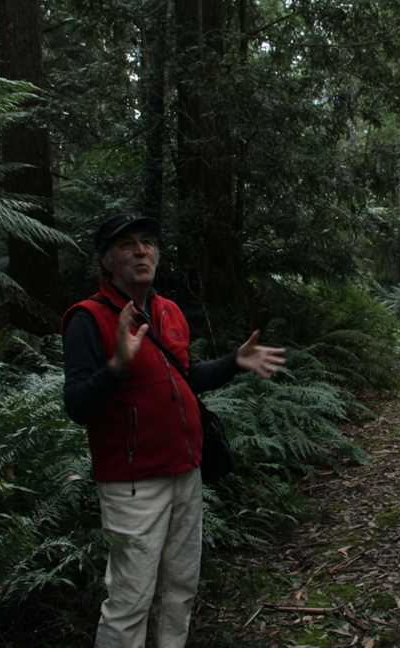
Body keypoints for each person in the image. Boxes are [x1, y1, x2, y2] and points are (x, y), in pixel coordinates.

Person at [62, 213, 285, 648]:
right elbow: (77, 406)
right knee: (130, 598)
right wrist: (118, 365)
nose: (141, 251)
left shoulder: (168, 311)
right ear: (107, 261)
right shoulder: (87, 319)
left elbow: (185, 376)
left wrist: (234, 363)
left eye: (148, 242)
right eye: (127, 245)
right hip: (133, 483)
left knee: (181, 586)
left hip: (186, 470)